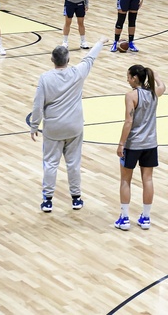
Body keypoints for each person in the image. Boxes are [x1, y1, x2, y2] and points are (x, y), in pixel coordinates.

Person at [29, 37, 106, 212]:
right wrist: (100, 42)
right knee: (73, 164)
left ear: (52, 60)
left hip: (53, 128)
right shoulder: (77, 73)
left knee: (50, 164)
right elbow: (90, 58)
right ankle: (76, 198)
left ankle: (48, 200)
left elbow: (37, 104)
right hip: (74, 126)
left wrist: (34, 125)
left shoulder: (45, 78)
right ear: (68, 60)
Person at [114, 64, 166, 231]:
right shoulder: (153, 94)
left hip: (133, 144)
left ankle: (125, 218)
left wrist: (121, 143)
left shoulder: (130, 96)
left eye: (128, 77)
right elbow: (162, 87)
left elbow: (129, 122)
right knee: (148, 180)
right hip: (150, 144)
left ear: (134, 78)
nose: (127, 79)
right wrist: (156, 76)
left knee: (125, 180)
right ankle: (146, 217)